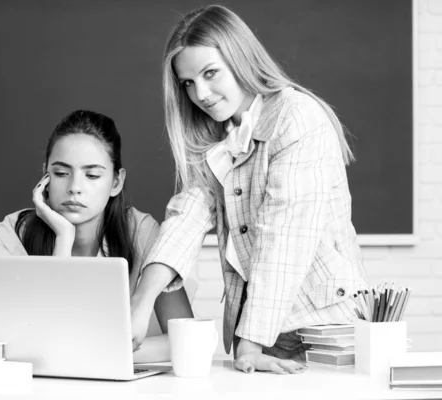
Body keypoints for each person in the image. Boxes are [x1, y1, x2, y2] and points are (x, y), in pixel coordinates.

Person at [130, 5, 367, 375]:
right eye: (188, 83)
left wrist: (250, 344)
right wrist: (140, 305)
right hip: (260, 334)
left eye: (210, 74)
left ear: (239, 58)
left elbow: (284, 240)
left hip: (324, 330)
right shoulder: (218, 139)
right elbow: (186, 220)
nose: (201, 94)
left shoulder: (297, 117)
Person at [0, 109, 193, 363]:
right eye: (61, 173)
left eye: (92, 175)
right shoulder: (10, 235)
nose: (74, 188)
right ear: (45, 176)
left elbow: (186, 338)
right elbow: (18, 341)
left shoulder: (141, 232)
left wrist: (91, 354)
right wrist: (64, 237)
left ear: (116, 182)